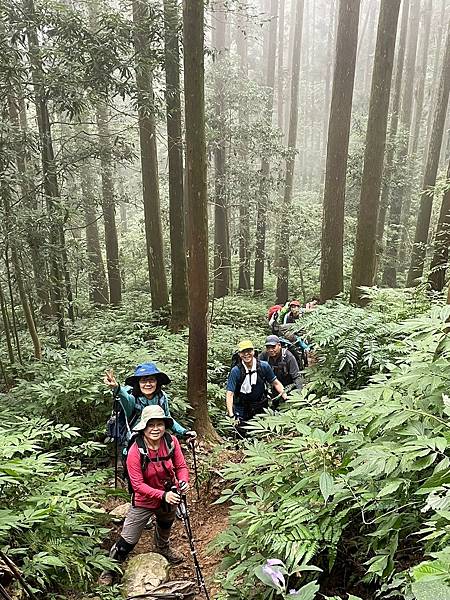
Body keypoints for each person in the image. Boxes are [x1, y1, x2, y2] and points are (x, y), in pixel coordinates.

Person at [100, 405, 189, 584]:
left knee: (166, 523)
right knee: (128, 540)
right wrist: (163, 496)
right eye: (151, 425)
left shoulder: (171, 442)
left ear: (165, 425)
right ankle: (109, 569)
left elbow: (181, 467)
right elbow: (138, 485)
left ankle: (163, 547)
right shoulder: (135, 450)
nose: (155, 429)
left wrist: (183, 481)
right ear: (144, 427)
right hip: (144, 500)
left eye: (159, 424)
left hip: (169, 494)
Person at [104, 362, 196, 443]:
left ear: (157, 382)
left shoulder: (161, 397)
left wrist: (184, 432)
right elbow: (125, 398)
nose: (148, 384)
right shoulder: (133, 398)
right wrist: (116, 387)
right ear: (138, 383)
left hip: (156, 440)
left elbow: (168, 418)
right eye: (143, 381)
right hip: (133, 442)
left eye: (151, 380)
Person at [226, 340, 288, 429]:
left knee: (262, 431)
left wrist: (286, 397)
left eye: (249, 351)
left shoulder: (263, 366)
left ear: (253, 352)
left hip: (260, 405)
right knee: (242, 432)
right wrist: (231, 415)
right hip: (242, 408)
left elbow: (276, 383)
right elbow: (230, 394)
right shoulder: (236, 371)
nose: (246, 354)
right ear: (239, 354)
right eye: (243, 352)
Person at [259, 335, 303, 400]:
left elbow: (296, 376)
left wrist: (300, 394)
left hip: (288, 386)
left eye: (273, 347)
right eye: (268, 347)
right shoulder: (264, 355)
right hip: (273, 386)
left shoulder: (288, 357)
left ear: (279, 345)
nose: (270, 350)